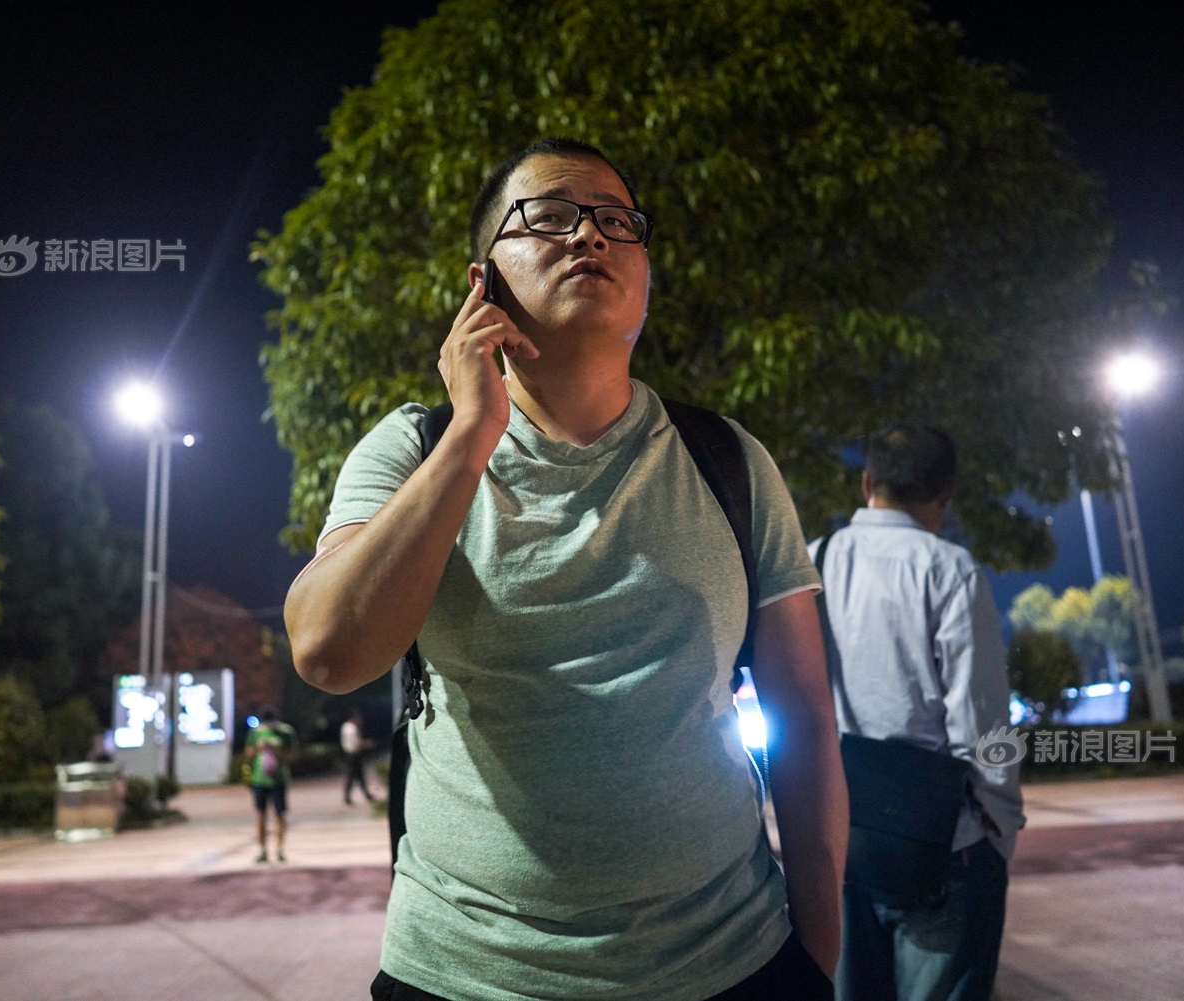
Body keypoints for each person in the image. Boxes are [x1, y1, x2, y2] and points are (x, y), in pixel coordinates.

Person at [285, 136, 848, 1001]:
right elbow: (328, 650)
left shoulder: (729, 459)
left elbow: (804, 716)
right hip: (467, 972)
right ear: (481, 281)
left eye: (618, 221)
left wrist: (818, 951)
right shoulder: (412, 449)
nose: (590, 235)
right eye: (548, 216)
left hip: (731, 961)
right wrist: (473, 432)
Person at [809, 424, 1024, 1001]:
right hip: (945, 840)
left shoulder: (814, 563)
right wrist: (1000, 825)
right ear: (945, 492)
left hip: (844, 838)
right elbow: (982, 724)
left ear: (867, 482)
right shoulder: (950, 569)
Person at [244, 707, 297, 863]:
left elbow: (292, 756)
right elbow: (248, 754)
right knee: (260, 815)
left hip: (279, 779)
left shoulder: (286, 731)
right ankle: (263, 850)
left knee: (280, 815)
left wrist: (277, 750)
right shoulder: (256, 732)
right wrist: (258, 748)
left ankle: (280, 849)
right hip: (259, 779)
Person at [341, 708, 376, 805]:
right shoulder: (352, 729)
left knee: (358, 776)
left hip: (349, 753)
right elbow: (356, 743)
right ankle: (349, 797)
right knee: (352, 776)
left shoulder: (345, 726)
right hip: (353, 754)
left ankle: (366, 794)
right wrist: (367, 744)